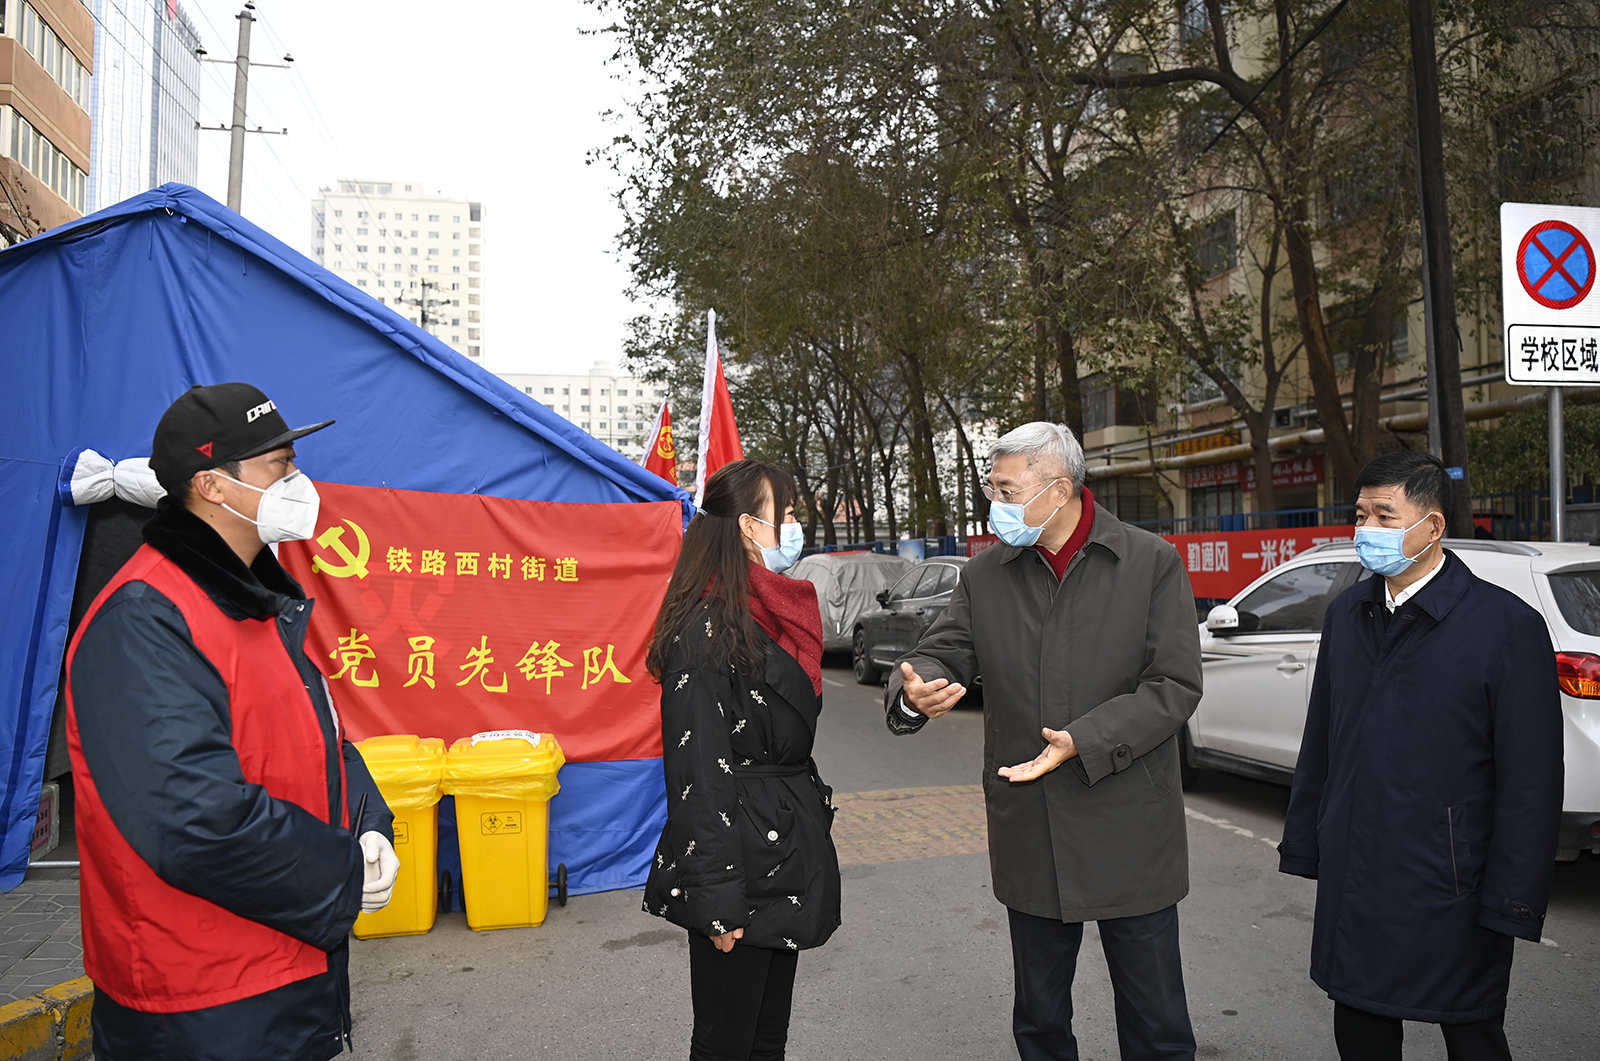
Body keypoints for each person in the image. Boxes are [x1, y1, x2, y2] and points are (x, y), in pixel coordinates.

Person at [64, 382, 399, 1061]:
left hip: (281, 970)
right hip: (196, 1001)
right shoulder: (145, 619)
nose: (299, 482)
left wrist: (369, 824)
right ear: (212, 486)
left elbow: (318, 742)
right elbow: (190, 817)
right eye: (280, 465)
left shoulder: (258, 604)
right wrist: (336, 871)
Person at [886, 422, 1203, 1061]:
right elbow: (941, 651)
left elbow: (1173, 685)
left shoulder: (1149, 562)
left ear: (1058, 490)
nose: (995, 503)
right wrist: (915, 691)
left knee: (1156, 1022)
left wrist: (1083, 740)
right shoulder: (987, 574)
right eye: (992, 488)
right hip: (1030, 823)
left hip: (1129, 825)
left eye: (1006, 490)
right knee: (1040, 1020)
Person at [1278, 451, 1563, 1061]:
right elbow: (1322, 741)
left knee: (1469, 1028)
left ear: (1432, 526)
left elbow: (1531, 781)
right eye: (1361, 515)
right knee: (1360, 1024)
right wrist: (1307, 843)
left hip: (1452, 882)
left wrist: (1513, 899)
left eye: (1385, 516)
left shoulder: (1505, 627)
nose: (1367, 530)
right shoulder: (1347, 615)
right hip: (1357, 873)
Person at [642, 459, 841, 1061]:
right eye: (787, 514)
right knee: (726, 1043)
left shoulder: (772, 613)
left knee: (766, 1038)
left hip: (782, 851)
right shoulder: (705, 629)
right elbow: (697, 774)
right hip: (738, 864)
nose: (795, 526)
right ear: (750, 527)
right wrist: (717, 899)